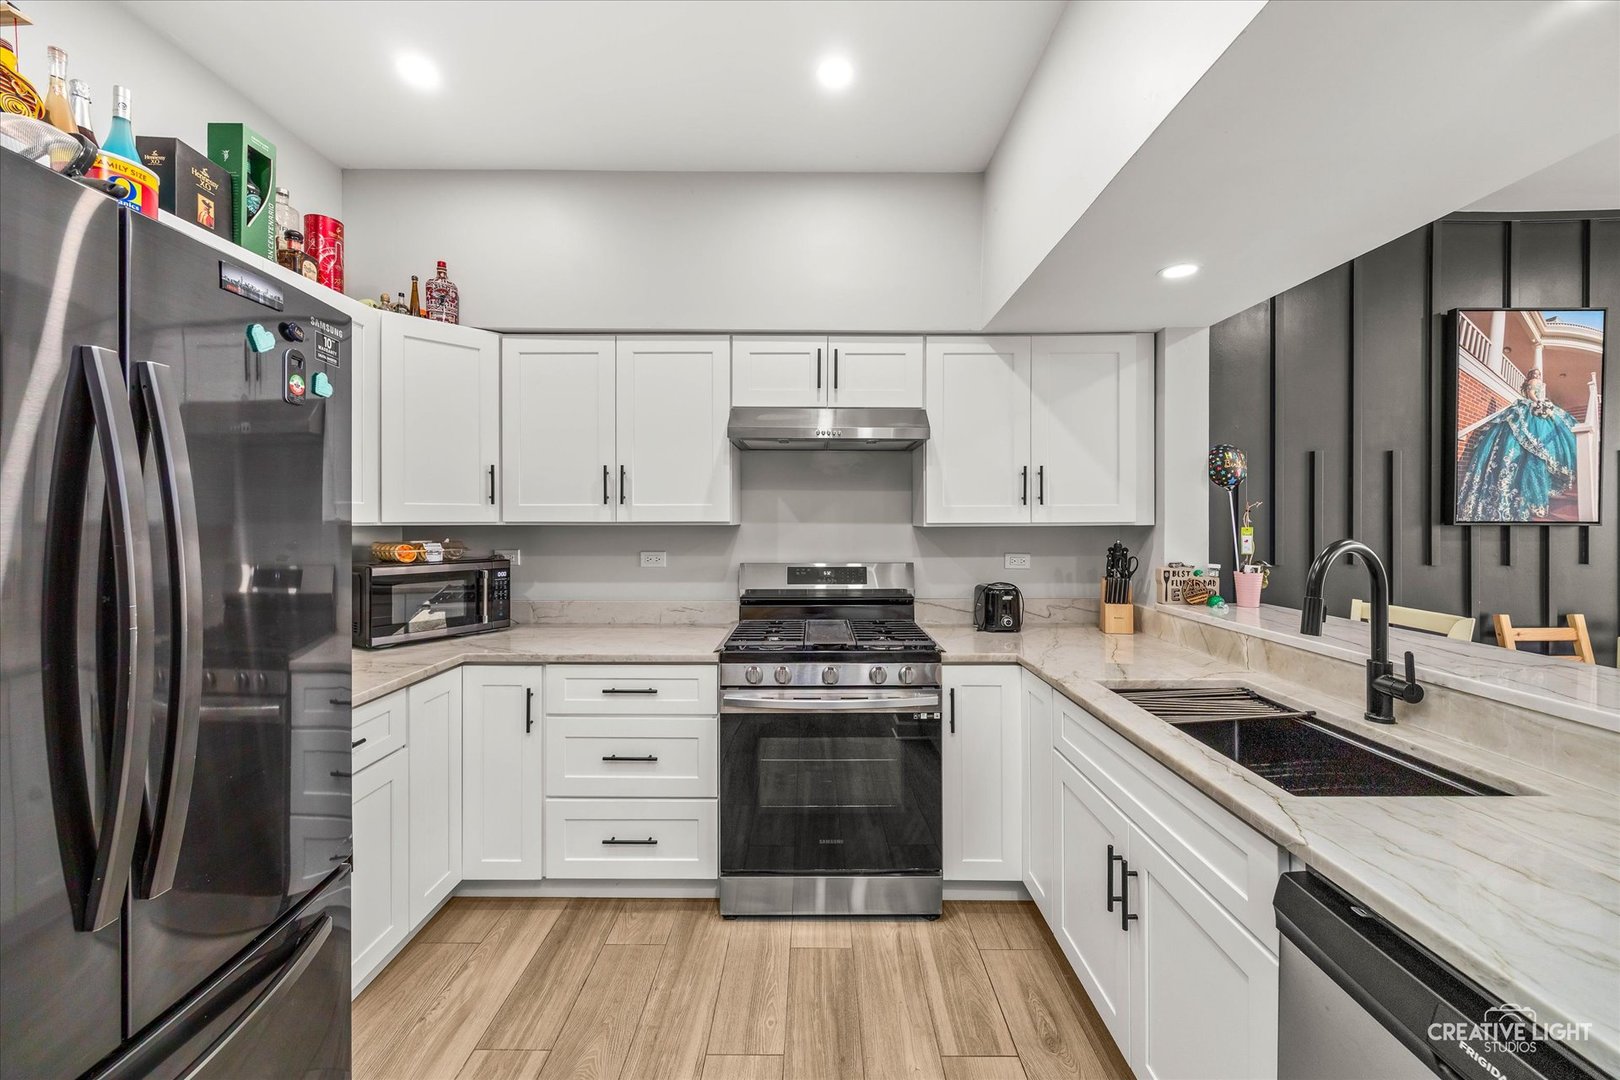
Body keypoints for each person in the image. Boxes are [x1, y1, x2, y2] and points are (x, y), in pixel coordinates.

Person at [1456, 367, 1578, 520]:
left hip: (1536, 407)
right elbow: (1532, 394)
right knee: (1531, 445)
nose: (1537, 375)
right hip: (1532, 407)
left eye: (1538, 373)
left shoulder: (1538, 382)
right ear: (1531, 376)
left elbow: (1535, 394)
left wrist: (1544, 404)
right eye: (1535, 373)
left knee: (1534, 447)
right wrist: (1540, 404)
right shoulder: (1534, 382)